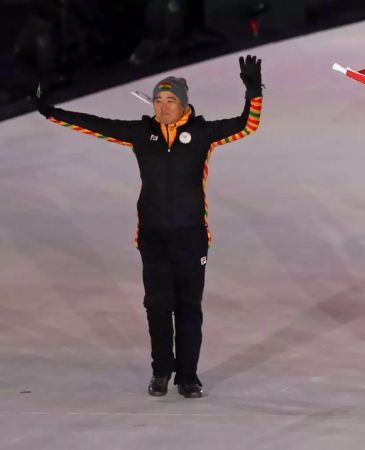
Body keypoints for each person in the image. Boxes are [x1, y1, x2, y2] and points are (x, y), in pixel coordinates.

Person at [33, 55, 264, 399]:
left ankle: (187, 377)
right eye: (158, 100)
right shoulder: (142, 134)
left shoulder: (202, 134)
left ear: (184, 104)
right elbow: (96, 124)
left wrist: (253, 92)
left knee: (188, 308)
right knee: (157, 306)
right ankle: (160, 372)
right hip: (153, 237)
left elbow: (247, 126)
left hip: (191, 237)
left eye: (170, 100)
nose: (163, 106)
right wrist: (51, 111)